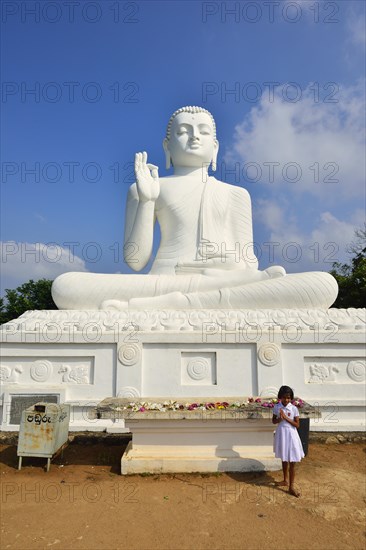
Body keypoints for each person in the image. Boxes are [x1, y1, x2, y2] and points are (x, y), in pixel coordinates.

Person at [51, 106, 338, 310]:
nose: (194, 137)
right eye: (184, 131)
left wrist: (225, 267)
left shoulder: (235, 194)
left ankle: (161, 307)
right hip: (162, 283)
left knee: (323, 284)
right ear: (167, 147)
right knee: (66, 286)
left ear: (215, 148)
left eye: (202, 132)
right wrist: (148, 200)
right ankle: (169, 302)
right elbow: (136, 261)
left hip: (225, 281)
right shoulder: (147, 188)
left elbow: (249, 263)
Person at [272, 385, 304, 498]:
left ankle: (291, 487)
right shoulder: (277, 407)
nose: (287, 400)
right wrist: (279, 419)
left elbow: (297, 425)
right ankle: (285, 480)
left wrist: (286, 418)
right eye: (284, 397)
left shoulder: (294, 408)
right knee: (284, 457)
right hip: (282, 434)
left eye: (289, 398)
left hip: (291, 435)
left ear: (291, 398)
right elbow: (273, 421)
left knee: (292, 461)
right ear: (280, 397)